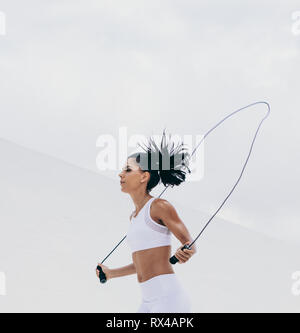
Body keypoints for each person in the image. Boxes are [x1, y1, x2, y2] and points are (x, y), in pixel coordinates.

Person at [96, 129, 196, 313]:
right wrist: (111, 273)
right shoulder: (134, 217)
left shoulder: (159, 206)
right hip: (148, 301)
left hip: (168, 299)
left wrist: (186, 251)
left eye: (127, 170)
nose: (120, 174)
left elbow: (189, 243)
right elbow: (142, 264)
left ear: (144, 176)